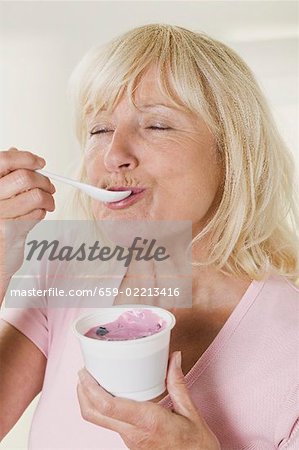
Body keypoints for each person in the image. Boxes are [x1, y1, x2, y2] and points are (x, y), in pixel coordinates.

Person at [0, 23, 298, 450]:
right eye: (99, 129)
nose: (113, 155)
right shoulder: (67, 268)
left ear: (233, 153)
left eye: (156, 125)